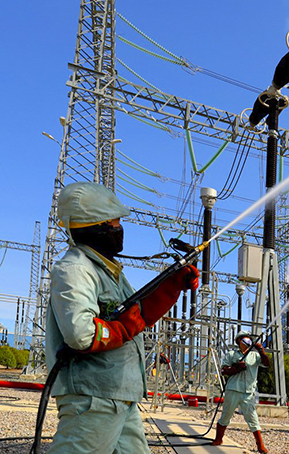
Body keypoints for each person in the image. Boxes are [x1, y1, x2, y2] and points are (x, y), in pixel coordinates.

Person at [46, 182, 199, 453]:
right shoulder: (75, 269)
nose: (119, 228)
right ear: (93, 226)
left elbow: (137, 314)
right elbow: (81, 334)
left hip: (119, 394)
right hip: (93, 397)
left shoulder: (110, 271)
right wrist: (122, 329)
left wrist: (172, 285)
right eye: (114, 222)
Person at [212, 331, 270, 453]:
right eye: (245, 339)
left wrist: (261, 351)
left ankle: (260, 445)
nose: (248, 341)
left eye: (249, 339)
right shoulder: (232, 354)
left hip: (248, 391)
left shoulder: (255, 356)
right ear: (239, 341)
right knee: (226, 415)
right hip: (233, 389)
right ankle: (218, 439)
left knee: (252, 418)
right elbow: (223, 370)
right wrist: (235, 368)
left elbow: (267, 363)